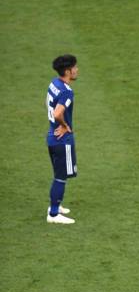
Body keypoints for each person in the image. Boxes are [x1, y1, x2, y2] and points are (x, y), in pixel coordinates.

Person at [46, 55, 79, 224]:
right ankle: (53, 214)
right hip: (61, 139)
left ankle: (56, 206)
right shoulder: (67, 90)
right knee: (61, 177)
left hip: (52, 136)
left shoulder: (54, 83)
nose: (77, 70)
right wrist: (65, 125)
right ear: (67, 71)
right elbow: (58, 113)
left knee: (59, 175)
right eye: (74, 67)